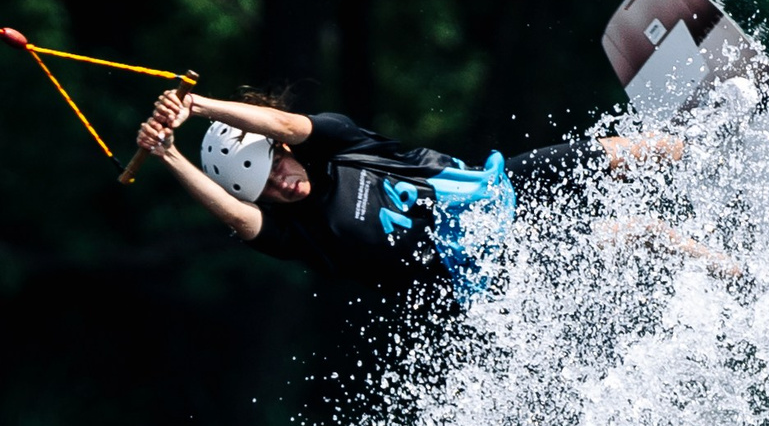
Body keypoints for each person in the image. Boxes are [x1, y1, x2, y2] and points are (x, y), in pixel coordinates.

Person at [134, 90, 707, 302]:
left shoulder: (340, 144)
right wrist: (170, 156)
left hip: (497, 190)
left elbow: (288, 126)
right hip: (496, 269)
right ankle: (740, 272)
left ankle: (712, 147)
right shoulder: (302, 237)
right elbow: (240, 220)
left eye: (277, 166)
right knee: (641, 235)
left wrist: (199, 106)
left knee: (618, 151)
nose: (284, 182)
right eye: (268, 188)